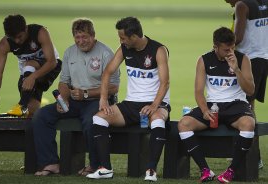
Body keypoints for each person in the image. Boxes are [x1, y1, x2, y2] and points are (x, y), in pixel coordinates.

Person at [86, 16, 171, 182]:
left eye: (123, 38)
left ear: (134, 36)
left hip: (156, 103)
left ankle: (151, 170)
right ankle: (105, 169)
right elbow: (107, 72)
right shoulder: (124, 49)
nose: (121, 41)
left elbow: (165, 82)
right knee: (99, 119)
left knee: (158, 120)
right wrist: (103, 99)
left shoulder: (158, 50)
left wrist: (154, 105)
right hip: (130, 104)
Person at [32, 18, 120, 176]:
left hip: (99, 101)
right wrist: (63, 99)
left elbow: (114, 87)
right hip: (74, 101)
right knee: (41, 115)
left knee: (90, 120)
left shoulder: (105, 53)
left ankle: (95, 165)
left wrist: (86, 93)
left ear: (93, 36)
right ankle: (50, 163)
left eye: (85, 37)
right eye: (77, 37)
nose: (81, 41)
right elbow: (64, 82)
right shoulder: (69, 52)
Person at [178, 27, 255, 183]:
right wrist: (205, 110)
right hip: (213, 106)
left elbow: (250, 90)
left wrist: (237, 70)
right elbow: (198, 91)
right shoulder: (204, 59)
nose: (230, 52)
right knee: (184, 124)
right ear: (215, 47)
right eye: (226, 49)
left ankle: (231, 171)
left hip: (236, 104)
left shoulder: (242, 58)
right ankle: (205, 170)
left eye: (232, 48)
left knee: (249, 123)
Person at [0, 14, 62, 117]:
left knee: (30, 63)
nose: (17, 41)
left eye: (19, 36)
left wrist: (33, 77)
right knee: (32, 111)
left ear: (26, 28)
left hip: (50, 67)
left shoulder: (40, 32)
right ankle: (29, 109)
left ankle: (22, 104)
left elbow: (52, 62)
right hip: (27, 74)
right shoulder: (4, 44)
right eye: (13, 38)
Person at [225, 0, 268, 169]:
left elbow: (239, 37)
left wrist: (221, 45)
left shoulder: (242, 5)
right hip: (263, 58)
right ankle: (251, 155)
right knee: (250, 105)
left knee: (245, 108)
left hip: (250, 59)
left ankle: (253, 157)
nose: (226, 1)